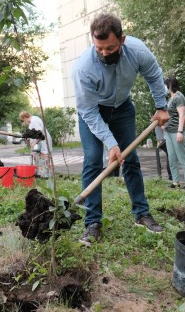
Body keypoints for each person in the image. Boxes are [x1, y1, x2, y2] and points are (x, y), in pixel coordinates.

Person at [72, 13, 169, 246]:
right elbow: (88, 111)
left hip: (123, 108)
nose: (104, 53)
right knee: (93, 160)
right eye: (99, 48)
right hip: (93, 113)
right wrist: (111, 143)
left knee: (131, 158)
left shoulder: (138, 51)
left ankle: (142, 213)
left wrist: (161, 107)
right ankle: (92, 223)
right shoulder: (84, 68)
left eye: (110, 47)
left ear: (122, 40)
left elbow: (154, 75)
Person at [164, 77, 185, 189]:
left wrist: (180, 132)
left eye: (166, 85)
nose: (165, 87)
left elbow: (182, 115)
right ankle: (175, 181)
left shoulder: (179, 97)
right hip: (168, 132)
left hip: (177, 131)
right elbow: (171, 115)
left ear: (170, 85)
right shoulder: (171, 98)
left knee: (182, 157)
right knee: (171, 158)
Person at [19, 111, 53, 178]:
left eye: (23, 120)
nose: (24, 122)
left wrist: (34, 143)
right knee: (38, 157)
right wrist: (29, 138)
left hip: (43, 142)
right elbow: (34, 133)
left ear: (24, 117)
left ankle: (45, 175)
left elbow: (40, 134)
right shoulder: (33, 119)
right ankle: (40, 174)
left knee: (44, 158)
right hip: (40, 143)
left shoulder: (34, 121)